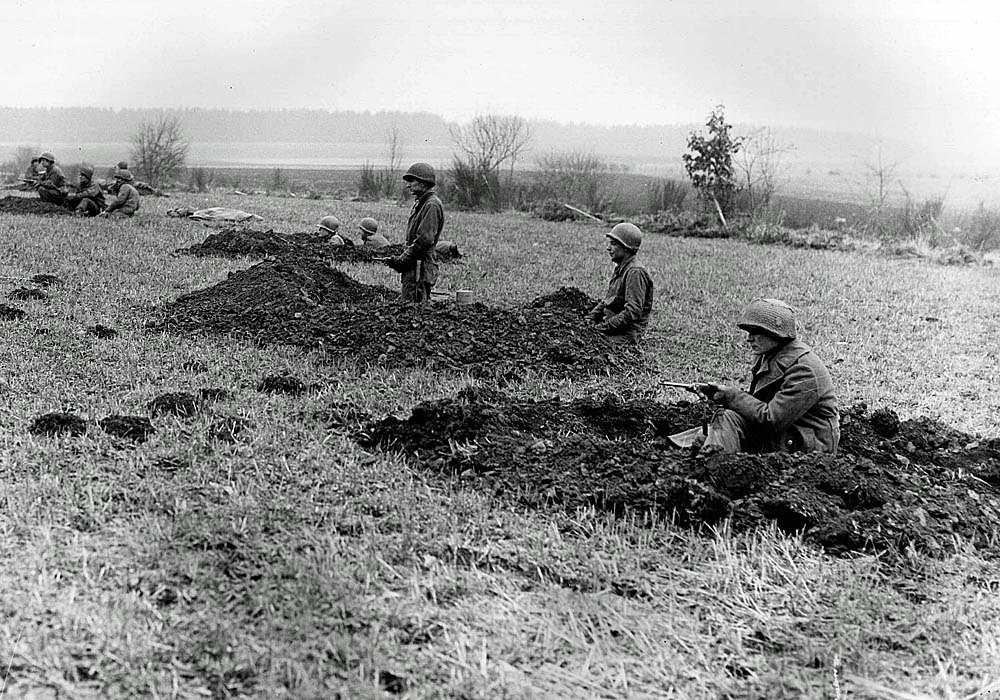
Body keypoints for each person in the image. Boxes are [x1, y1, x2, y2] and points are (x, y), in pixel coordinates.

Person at [669, 298, 840, 455]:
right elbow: (759, 402)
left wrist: (730, 395)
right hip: (785, 432)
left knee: (726, 422)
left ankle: (716, 468)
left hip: (805, 446)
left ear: (776, 334)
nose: (749, 339)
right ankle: (710, 459)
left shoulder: (805, 369)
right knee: (720, 424)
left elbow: (771, 419)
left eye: (756, 332)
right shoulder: (769, 354)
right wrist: (718, 393)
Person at [384, 162, 444, 303]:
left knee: (415, 309)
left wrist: (403, 259)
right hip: (415, 265)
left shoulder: (431, 205)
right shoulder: (423, 203)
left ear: (423, 183)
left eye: (412, 181)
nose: (408, 185)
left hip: (420, 267)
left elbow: (424, 240)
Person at [586, 222, 654, 344]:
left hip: (627, 334)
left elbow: (631, 313)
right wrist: (591, 317)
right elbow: (608, 300)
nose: (608, 248)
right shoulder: (622, 268)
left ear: (626, 248)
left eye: (613, 244)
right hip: (615, 325)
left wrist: (602, 327)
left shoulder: (635, 273)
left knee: (590, 344)